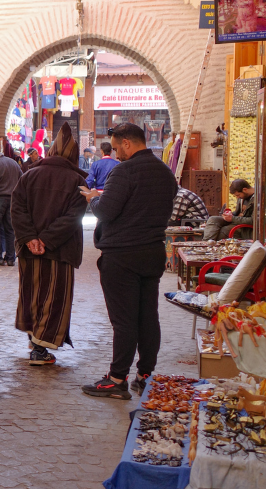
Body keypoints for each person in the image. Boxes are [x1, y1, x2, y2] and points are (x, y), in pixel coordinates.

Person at [79, 123, 177, 400]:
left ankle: (116, 379)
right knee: (148, 316)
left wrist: (93, 199)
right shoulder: (164, 172)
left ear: (126, 143)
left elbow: (106, 212)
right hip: (152, 252)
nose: (116, 153)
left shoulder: (124, 171)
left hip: (122, 255)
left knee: (124, 320)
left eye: (116, 147)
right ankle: (145, 374)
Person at [10, 123, 88, 366]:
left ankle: (35, 340)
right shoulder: (77, 181)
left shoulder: (29, 175)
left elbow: (17, 209)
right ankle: (40, 349)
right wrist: (45, 239)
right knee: (54, 298)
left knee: (32, 293)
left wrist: (31, 238)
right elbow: (73, 218)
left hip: (29, 250)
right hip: (60, 250)